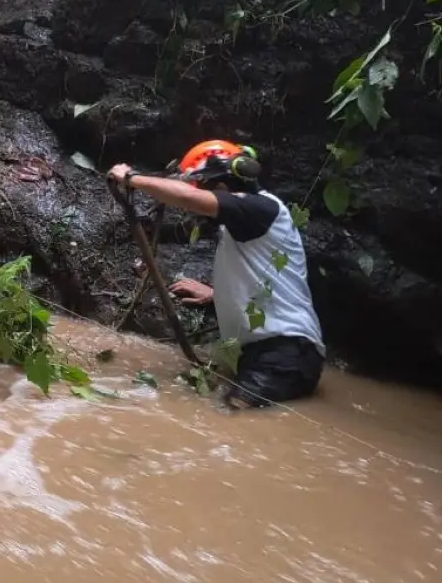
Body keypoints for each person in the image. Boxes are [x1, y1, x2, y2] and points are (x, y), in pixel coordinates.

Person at [107, 140, 326, 409]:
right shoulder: (249, 221)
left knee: (229, 419)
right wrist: (217, 294)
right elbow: (263, 273)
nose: (201, 196)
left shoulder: (260, 208)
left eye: (204, 187)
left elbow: (189, 199)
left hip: (285, 353)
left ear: (222, 184)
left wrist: (132, 178)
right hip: (268, 353)